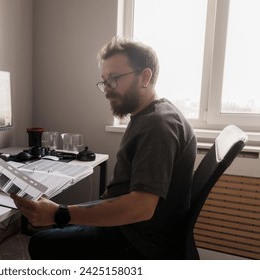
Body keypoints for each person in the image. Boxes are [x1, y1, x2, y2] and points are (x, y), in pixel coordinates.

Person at [11, 36, 197, 260]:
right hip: (136, 230)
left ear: (145, 77)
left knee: (42, 243)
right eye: (105, 81)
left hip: (141, 243)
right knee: (55, 226)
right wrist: (61, 211)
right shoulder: (149, 116)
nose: (107, 89)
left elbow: (142, 206)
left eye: (114, 79)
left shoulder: (158, 125)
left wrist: (61, 213)